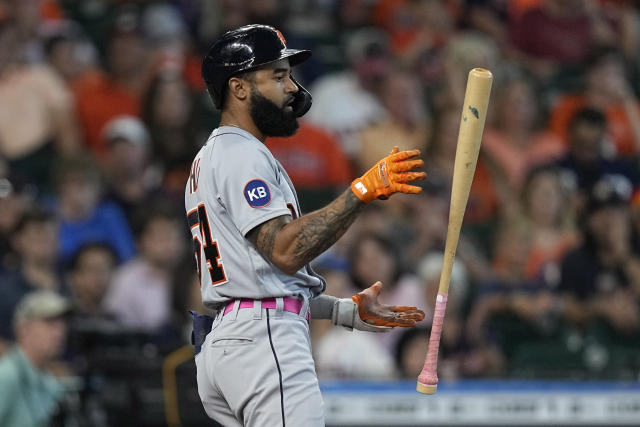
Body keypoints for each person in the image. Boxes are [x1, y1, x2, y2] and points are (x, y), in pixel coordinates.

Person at [188, 24, 426, 426]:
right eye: (278, 77)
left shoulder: (212, 156)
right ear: (240, 88)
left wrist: (340, 311)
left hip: (232, 342)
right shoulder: (241, 154)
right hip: (263, 342)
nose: (292, 89)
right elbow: (283, 251)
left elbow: (255, 278)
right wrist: (362, 191)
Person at [0, 290, 71, 427]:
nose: (60, 332)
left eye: (61, 324)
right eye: (50, 323)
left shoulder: (49, 380)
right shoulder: (6, 376)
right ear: (24, 329)